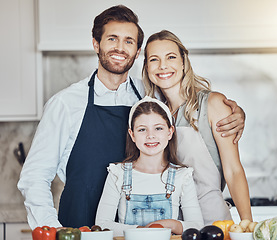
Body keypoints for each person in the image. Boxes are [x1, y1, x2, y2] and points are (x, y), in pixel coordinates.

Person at [17, 5, 245, 229]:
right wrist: (51, 229)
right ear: (96, 44)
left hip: (141, 227)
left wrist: (233, 110)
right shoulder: (65, 104)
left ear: (137, 53)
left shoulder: (149, 96)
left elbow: (186, 100)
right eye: (112, 39)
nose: (120, 47)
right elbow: (34, 177)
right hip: (81, 226)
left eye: (129, 41)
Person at [142, 30, 253, 224]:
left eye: (171, 57)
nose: (163, 66)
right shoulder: (153, 115)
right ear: (147, 67)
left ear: (183, 62)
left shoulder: (213, 104)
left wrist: (247, 225)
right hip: (168, 225)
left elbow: (233, 171)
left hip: (211, 222)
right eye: (154, 59)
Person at [95, 96, 204, 236]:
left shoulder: (182, 176)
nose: (150, 136)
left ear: (170, 132)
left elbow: (197, 227)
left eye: (158, 128)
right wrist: (143, 232)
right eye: (142, 130)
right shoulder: (118, 174)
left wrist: (169, 224)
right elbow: (102, 224)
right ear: (132, 135)